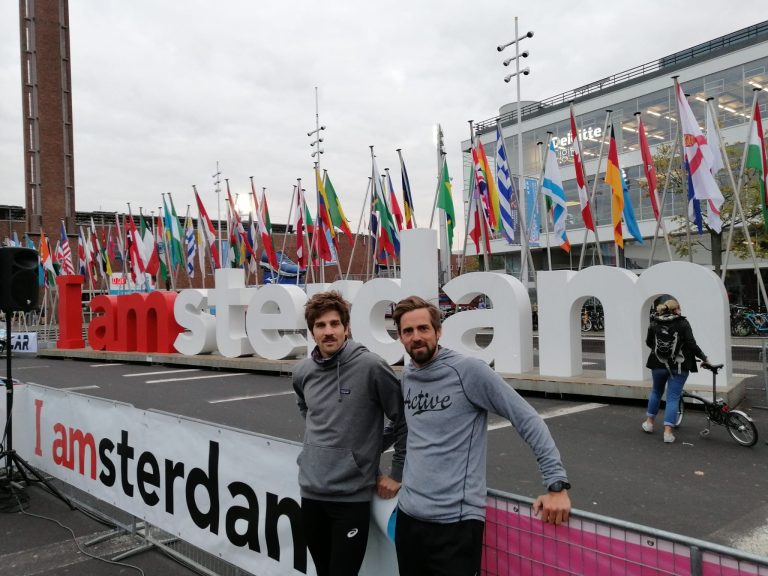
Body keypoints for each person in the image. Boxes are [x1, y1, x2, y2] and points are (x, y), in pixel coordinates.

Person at [391, 295, 571, 576]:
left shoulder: (468, 371)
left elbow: (527, 418)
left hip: (455, 523)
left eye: (423, 328)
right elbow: (408, 434)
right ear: (401, 337)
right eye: (408, 331)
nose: (416, 337)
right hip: (409, 517)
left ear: (438, 331)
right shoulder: (409, 376)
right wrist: (393, 473)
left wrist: (556, 485)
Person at [292, 291, 406, 576]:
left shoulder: (371, 367)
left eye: (334, 324)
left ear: (347, 327)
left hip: (351, 500)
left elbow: (403, 419)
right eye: (321, 326)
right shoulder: (302, 372)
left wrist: (394, 469)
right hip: (311, 493)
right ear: (312, 331)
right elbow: (307, 410)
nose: (328, 332)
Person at [643, 298, 709, 443]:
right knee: (673, 397)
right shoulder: (682, 323)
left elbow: (649, 342)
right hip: (679, 365)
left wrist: (662, 354)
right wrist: (704, 358)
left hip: (658, 363)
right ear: (676, 309)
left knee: (656, 391)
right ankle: (668, 433)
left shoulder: (654, 322)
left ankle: (649, 424)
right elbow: (692, 344)